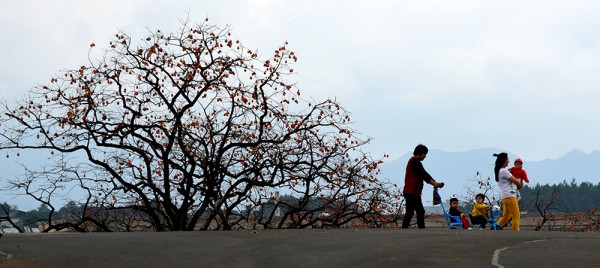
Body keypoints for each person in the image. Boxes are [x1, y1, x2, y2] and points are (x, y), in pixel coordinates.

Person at [402, 144, 444, 229]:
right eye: (424, 154)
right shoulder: (414, 161)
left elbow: (425, 174)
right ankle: (413, 228)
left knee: (417, 211)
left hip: (414, 192)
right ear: (419, 153)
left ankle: (415, 228)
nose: (425, 156)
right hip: (411, 191)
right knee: (414, 211)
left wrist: (435, 183)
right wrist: (434, 184)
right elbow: (422, 175)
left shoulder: (418, 163)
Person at [493, 152, 523, 231]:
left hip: (504, 196)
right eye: (507, 159)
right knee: (516, 216)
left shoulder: (499, 171)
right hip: (510, 195)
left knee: (506, 216)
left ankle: (496, 227)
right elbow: (515, 181)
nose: (508, 161)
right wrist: (520, 183)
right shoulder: (504, 171)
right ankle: (515, 233)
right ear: (503, 161)